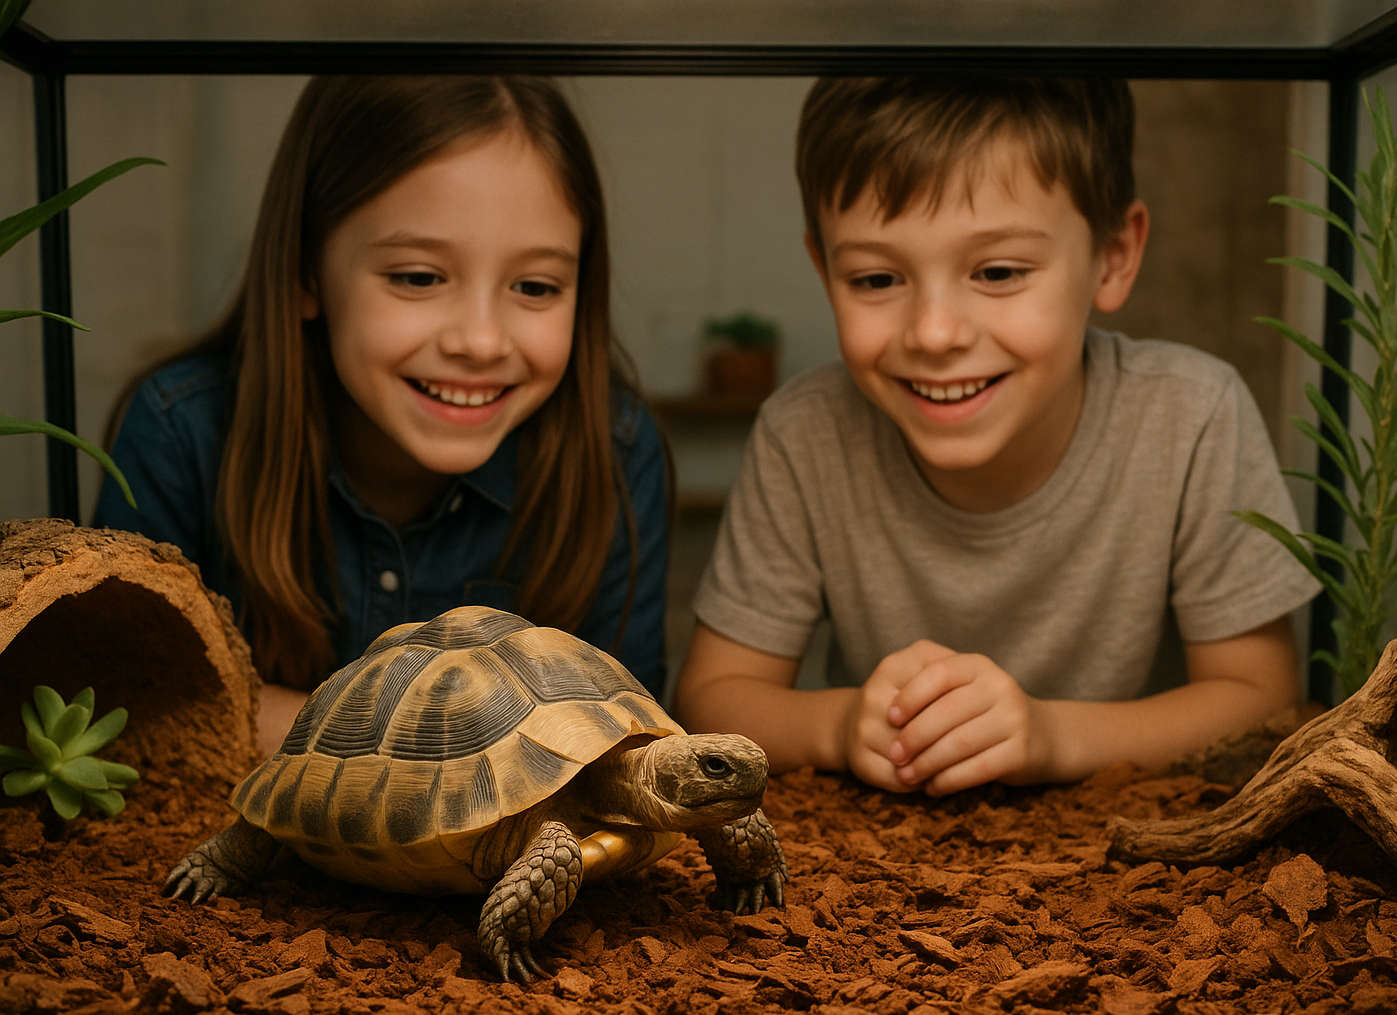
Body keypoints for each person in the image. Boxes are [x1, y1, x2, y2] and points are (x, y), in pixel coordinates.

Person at [673, 76, 1321, 797]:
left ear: (1113, 256)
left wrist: (1052, 737)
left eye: (999, 271)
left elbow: (1263, 700)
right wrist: (841, 725)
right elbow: (710, 698)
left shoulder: (1192, 414)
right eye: (877, 279)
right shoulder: (805, 433)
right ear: (825, 270)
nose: (934, 333)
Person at [96, 76, 668, 754]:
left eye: (536, 286)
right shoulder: (180, 433)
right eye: (418, 278)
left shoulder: (613, 453)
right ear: (307, 271)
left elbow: (629, 739)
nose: (481, 341)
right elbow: (132, 706)